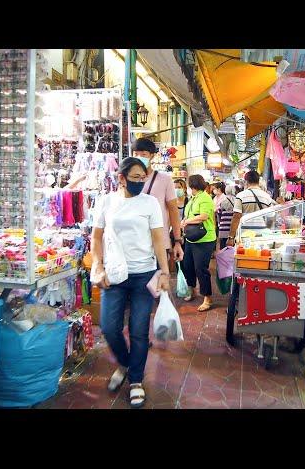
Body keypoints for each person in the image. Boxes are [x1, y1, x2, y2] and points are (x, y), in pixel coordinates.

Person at [91, 157, 170, 409]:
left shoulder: (150, 204)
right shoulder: (106, 201)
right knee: (109, 327)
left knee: (138, 330)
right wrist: (98, 265)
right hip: (114, 274)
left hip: (143, 274)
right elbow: (96, 237)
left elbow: (159, 239)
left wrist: (165, 271)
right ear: (121, 178)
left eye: (142, 178)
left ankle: (135, 380)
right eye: (134, 177)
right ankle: (125, 363)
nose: (139, 182)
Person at [132, 138, 184, 263]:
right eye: (136, 154)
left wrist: (177, 241)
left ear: (152, 156)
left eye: (143, 154)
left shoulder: (164, 180)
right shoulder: (127, 180)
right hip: (133, 242)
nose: (139, 157)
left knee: (159, 279)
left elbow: (173, 212)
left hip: (159, 242)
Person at [180, 174, 216, 312]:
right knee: (188, 265)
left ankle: (207, 297)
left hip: (204, 239)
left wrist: (186, 221)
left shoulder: (205, 198)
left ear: (192, 185)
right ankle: (192, 289)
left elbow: (204, 216)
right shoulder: (192, 199)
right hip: (191, 238)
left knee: (201, 268)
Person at [226, 170, 275, 247]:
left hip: (244, 235)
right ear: (258, 181)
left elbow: (236, 216)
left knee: (244, 257)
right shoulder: (267, 197)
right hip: (262, 235)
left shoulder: (240, 196)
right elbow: (271, 217)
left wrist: (231, 237)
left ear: (246, 182)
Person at [212, 182, 236, 250]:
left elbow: (219, 211)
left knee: (223, 244)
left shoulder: (224, 200)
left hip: (223, 224)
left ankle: (224, 258)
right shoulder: (236, 199)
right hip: (233, 223)